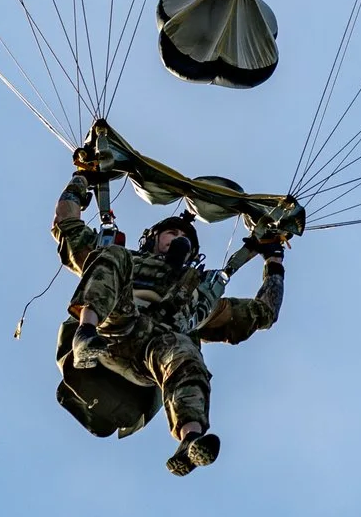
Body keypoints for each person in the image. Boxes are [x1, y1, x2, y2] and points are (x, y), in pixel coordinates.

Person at [51, 172, 286, 475]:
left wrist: (274, 262)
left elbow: (262, 313)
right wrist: (81, 179)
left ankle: (189, 439)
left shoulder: (201, 293)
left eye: (184, 240)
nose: (179, 240)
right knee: (112, 254)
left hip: (153, 356)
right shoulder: (128, 262)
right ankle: (85, 334)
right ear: (152, 238)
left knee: (186, 352)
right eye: (171, 234)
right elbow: (66, 225)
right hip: (110, 331)